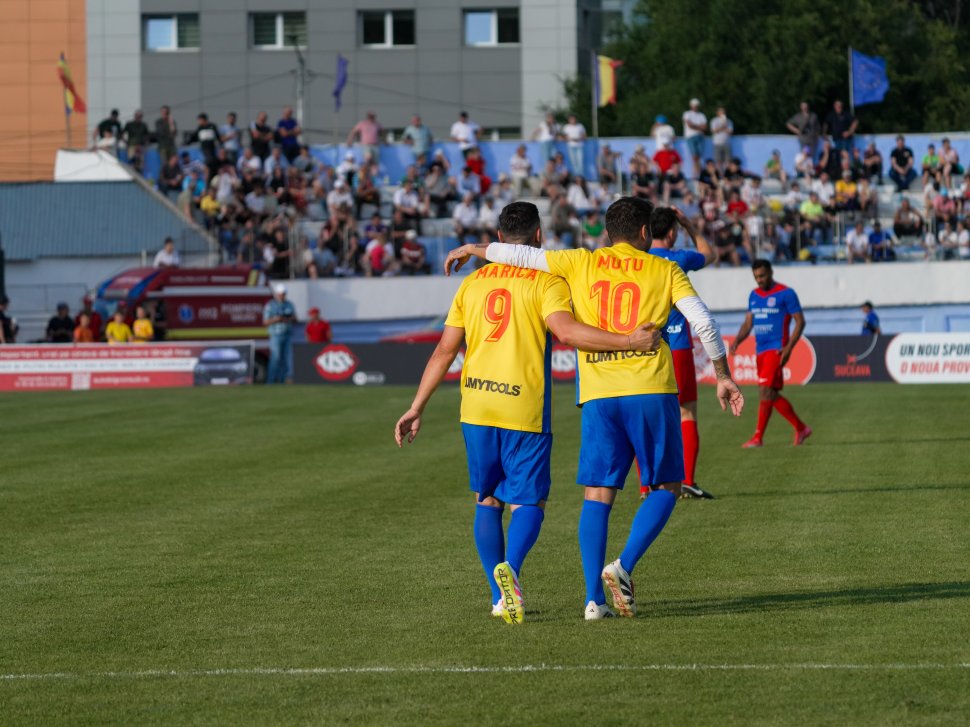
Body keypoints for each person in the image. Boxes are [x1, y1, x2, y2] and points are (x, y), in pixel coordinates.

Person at [445, 197, 744, 620]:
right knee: (667, 486)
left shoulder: (580, 261)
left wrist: (473, 249)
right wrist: (723, 374)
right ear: (645, 232)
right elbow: (705, 323)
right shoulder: (665, 268)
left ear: (607, 232)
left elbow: (520, 254)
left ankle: (593, 601)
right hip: (649, 388)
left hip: (598, 393)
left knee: (597, 493)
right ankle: (623, 565)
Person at [396, 201, 664, 624]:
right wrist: (628, 341)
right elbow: (566, 332)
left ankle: (500, 598)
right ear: (539, 236)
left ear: (499, 238)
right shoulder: (546, 281)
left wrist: (416, 407)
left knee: (486, 499)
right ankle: (512, 568)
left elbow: (445, 350)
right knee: (529, 503)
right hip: (522, 405)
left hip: (475, 405)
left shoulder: (472, 284)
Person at [646, 206, 717, 499]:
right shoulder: (679, 258)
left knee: (647, 415)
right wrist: (690, 225)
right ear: (673, 232)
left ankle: (646, 485)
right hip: (677, 345)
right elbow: (709, 254)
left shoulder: (639, 259)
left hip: (646, 346)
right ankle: (687, 480)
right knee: (686, 412)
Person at [730, 259, 810, 448]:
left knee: (765, 391)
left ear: (771, 273)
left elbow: (800, 321)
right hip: (760, 350)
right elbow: (748, 323)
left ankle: (758, 437)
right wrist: (737, 340)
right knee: (770, 393)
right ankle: (801, 428)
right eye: (756, 277)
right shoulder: (754, 295)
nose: (759, 280)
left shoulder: (786, 293)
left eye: (762, 276)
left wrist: (789, 348)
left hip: (777, 349)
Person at [263, 283, 296, 384]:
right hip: (276, 335)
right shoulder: (270, 305)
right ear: (277, 294)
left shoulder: (289, 304)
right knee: (275, 358)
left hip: (287, 334)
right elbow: (265, 322)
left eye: (284, 294)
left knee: (284, 359)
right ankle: (271, 381)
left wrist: (287, 318)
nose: (282, 296)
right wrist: (276, 319)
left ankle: (282, 381)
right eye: (281, 294)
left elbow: (295, 318)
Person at [682, 98, 707, 178]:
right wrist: (699, 127)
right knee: (694, 157)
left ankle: (697, 174)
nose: (695, 107)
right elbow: (689, 125)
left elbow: (704, 127)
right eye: (694, 105)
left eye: (696, 105)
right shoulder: (687, 114)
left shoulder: (701, 115)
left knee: (698, 157)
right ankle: (696, 174)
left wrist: (695, 126)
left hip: (700, 137)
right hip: (690, 137)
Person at [710, 107, 733, 172]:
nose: (722, 113)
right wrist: (722, 126)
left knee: (728, 160)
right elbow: (713, 131)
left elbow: (730, 132)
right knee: (718, 160)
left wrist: (725, 126)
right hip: (717, 143)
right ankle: (720, 174)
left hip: (727, 143)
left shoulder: (729, 121)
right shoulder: (714, 121)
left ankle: (727, 174)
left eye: (723, 112)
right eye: (721, 112)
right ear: (717, 113)